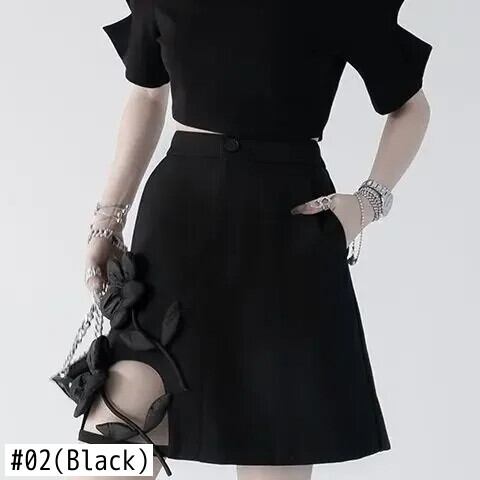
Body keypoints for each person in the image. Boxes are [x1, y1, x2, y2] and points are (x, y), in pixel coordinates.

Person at [74, 1, 432, 479]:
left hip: (288, 232)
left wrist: (367, 203)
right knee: (110, 445)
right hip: (179, 225)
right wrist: (108, 219)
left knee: (273, 438)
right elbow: (147, 95)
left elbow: (411, 107)